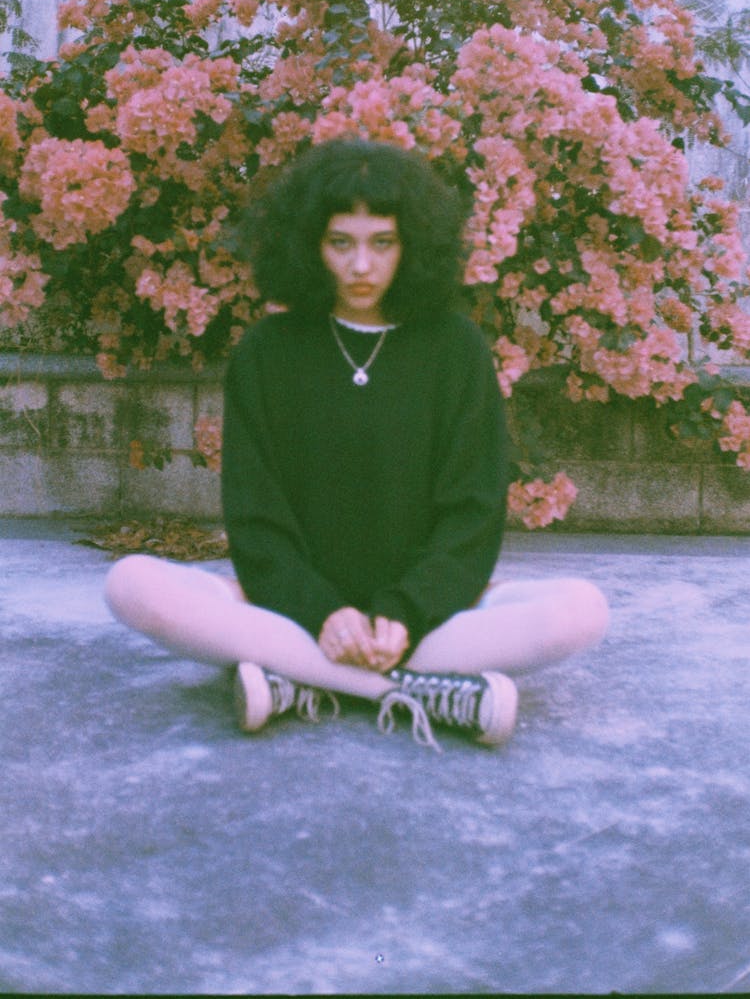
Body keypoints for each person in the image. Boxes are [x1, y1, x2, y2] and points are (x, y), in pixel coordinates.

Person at [105, 138, 608, 751]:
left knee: (581, 610)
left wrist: (403, 613)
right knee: (130, 584)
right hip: (293, 610)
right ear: (312, 245)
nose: (362, 265)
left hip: (426, 618)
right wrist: (323, 614)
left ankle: (298, 679)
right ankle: (412, 691)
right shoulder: (267, 352)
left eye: (382, 243)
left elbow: (473, 514)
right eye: (341, 243)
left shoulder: (456, 350)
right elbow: (256, 516)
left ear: (412, 246)